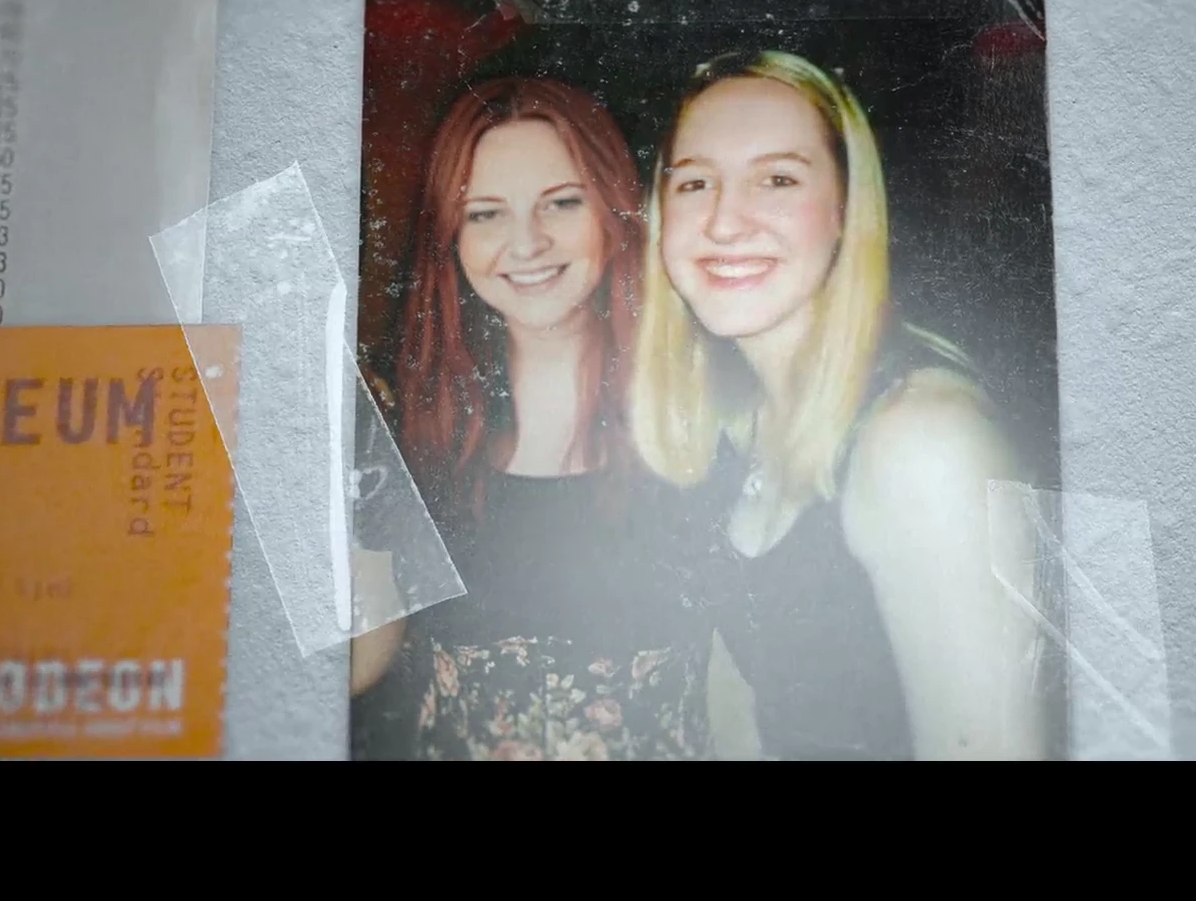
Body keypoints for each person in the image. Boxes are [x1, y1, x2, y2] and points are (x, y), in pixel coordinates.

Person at [630, 50, 1047, 761]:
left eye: (778, 179)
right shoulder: (742, 426)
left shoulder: (923, 441)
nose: (724, 222)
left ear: (845, 213)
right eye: (695, 182)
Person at [351, 76, 712, 762]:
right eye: (486, 213)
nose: (526, 243)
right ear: (451, 235)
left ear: (612, 208)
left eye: (562, 203)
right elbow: (358, 662)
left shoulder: (699, 403)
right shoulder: (399, 420)